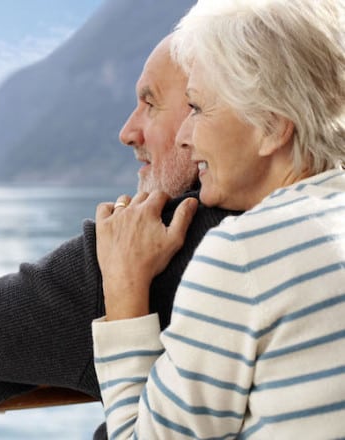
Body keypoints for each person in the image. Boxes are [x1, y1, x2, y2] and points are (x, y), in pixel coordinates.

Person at [0, 35, 241, 439]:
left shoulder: (149, 249)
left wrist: (112, 278)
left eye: (150, 104)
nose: (126, 132)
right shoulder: (316, 221)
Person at [93, 0, 345, 438]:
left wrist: (123, 285)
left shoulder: (244, 256)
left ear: (270, 124)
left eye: (196, 108)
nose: (185, 138)